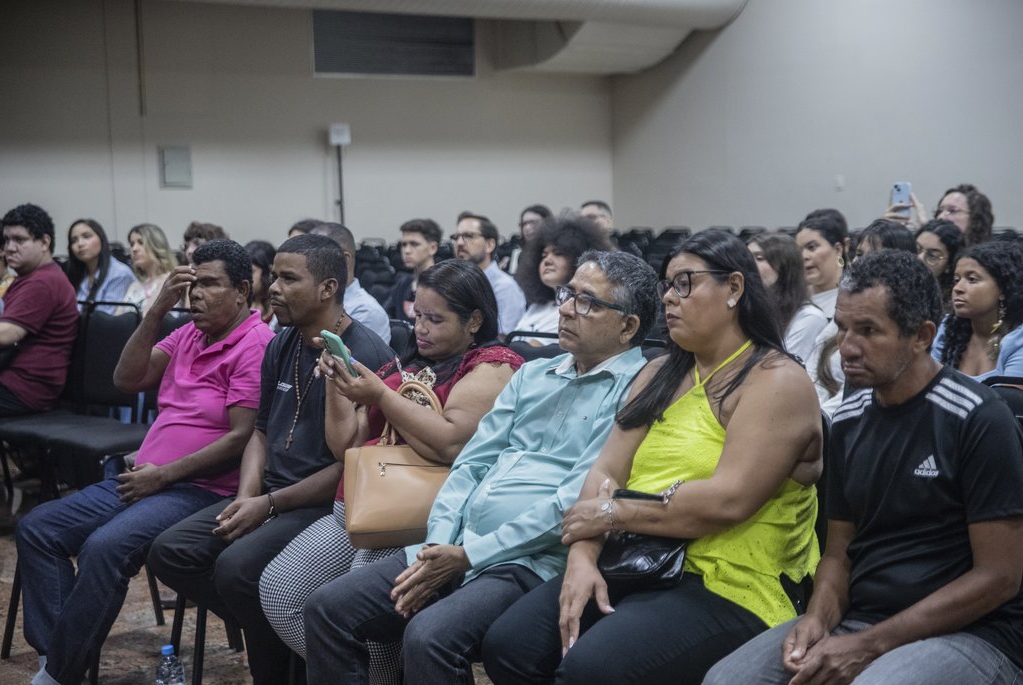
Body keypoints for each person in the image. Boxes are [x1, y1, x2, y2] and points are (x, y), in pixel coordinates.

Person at [302, 251, 659, 685]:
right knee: (327, 608)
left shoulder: (637, 389)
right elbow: (471, 464)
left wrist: (469, 555)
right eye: (568, 295)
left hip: (529, 560)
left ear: (628, 326)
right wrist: (439, 544)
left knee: (429, 637)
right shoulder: (534, 374)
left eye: (588, 302)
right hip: (455, 543)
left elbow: (573, 499)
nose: (565, 308)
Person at [483, 229, 822, 685]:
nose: (668, 298)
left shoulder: (775, 379)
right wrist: (582, 560)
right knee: (511, 645)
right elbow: (605, 469)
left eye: (685, 283)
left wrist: (610, 513)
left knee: (591, 669)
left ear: (735, 288)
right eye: (667, 285)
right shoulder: (661, 370)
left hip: (729, 579)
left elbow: (727, 502)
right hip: (638, 556)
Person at [705, 250, 1023, 685]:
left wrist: (870, 645)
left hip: (972, 633)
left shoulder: (978, 418)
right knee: (726, 680)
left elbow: (999, 577)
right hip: (862, 619)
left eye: (869, 331)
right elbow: (838, 552)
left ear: (922, 336)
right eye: (842, 327)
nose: (847, 347)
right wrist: (817, 618)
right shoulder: (849, 420)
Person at [19, 239, 273, 685]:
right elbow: (126, 379)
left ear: (241, 291)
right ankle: (57, 657)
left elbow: (241, 437)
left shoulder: (254, 343)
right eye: (192, 283)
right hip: (145, 479)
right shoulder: (190, 332)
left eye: (209, 284)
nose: (196, 294)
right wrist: (157, 311)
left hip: (199, 488)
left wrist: (164, 476)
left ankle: (57, 673)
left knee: (104, 548)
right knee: (39, 528)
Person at [259, 259, 523, 683]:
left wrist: (381, 394)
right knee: (280, 592)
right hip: (361, 506)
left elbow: (450, 442)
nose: (420, 328)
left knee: (359, 615)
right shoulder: (408, 364)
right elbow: (345, 446)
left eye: (435, 319)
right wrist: (337, 384)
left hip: (419, 517)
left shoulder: (492, 364)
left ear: (474, 320)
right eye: (417, 315)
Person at [147, 234, 394, 685]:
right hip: (268, 494)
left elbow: (351, 466)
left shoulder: (366, 353)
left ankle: (283, 660)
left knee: (237, 569)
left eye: (288, 278)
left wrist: (269, 506)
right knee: (171, 551)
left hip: (319, 503)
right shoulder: (282, 343)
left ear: (328, 288)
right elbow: (259, 431)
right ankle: (284, 641)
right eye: (274, 275)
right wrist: (245, 497)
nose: (273, 288)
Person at [809, 219, 916, 415]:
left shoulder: (901, 324)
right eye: (858, 254)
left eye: (872, 255)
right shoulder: (845, 312)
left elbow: (863, 394)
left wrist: (815, 421)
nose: (859, 262)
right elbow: (812, 372)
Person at [0, 204, 78, 416]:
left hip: (24, 390)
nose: (9, 248)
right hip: (10, 382)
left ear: (44, 242)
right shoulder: (28, 278)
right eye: (6, 240)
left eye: (20, 240)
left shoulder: (43, 282)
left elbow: (4, 335)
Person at [931, 240, 1023, 381]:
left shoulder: (1018, 342)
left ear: (1003, 290)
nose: (958, 288)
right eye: (956, 280)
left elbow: (1009, 402)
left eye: (972, 279)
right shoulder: (948, 329)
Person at [514, 215, 613, 344]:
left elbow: (530, 351)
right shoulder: (536, 307)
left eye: (558, 253)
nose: (547, 261)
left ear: (578, 259)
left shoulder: (577, 311)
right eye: (544, 255)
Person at [747, 232, 826, 363]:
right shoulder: (750, 309)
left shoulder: (809, 317)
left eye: (759, 258)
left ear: (784, 266)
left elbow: (782, 366)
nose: (748, 265)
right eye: (747, 258)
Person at [310, 221, 392, 344]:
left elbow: (344, 362)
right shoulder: (312, 300)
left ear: (344, 260)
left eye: (314, 258)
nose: (307, 265)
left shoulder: (366, 311)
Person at [454, 211, 525, 336]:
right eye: (456, 237)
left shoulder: (505, 287)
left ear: (489, 245)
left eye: (469, 236)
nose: (459, 243)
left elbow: (505, 338)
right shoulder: (454, 282)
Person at [64, 218, 136, 313]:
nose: (80, 244)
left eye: (87, 236)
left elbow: (106, 319)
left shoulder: (119, 273)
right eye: (74, 241)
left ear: (101, 239)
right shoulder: (77, 273)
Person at [385, 218, 442, 323]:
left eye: (414, 244)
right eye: (404, 244)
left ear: (432, 248)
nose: (407, 251)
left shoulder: (445, 285)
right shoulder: (402, 284)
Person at [795, 210, 849, 320]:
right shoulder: (792, 298)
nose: (804, 256)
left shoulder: (854, 298)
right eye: (799, 250)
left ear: (838, 249)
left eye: (811, 247)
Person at [120, 223, 178, 315]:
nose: (134, 249)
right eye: (132, 244)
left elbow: (148, 317)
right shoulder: (134, 286)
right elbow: (116, 319)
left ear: (156, 245)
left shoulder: (169, 280)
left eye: (141, 242)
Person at [915, 219, 964, 313]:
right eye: (917, 249)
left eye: (932, 255)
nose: (919, 258)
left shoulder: (954, 303)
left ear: (949, 265)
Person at [244, 239, 279, 330]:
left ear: (269, 271)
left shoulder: (280, 307)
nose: (244, 276)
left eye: (251, 271)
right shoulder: (240, 305)